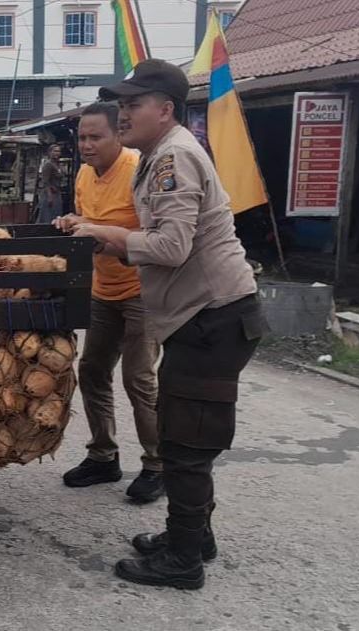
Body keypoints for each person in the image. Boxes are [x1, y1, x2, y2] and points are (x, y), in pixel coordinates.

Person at [77, 59, 267, 590]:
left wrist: (106, 234)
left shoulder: (174, 157)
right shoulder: (163, 153)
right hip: (204, 316)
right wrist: (113, 240)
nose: (123, 113)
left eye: (133, 104)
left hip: (212, 316)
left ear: (165, 109)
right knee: (187, 433)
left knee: (184, 443)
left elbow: (172, 246)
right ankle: (193, 536)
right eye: (121, 103)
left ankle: (183, 560)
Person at [54, 102, 162, 502]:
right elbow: (88, 221)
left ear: (119, 135)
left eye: (95, 136)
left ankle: (157, 464)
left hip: (143, 291)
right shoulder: (84, 173)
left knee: (139, 379)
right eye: (82, 137)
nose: (86, 144)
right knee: (94, 371)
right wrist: (72, 222)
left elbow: (159, 236)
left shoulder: (138, 172)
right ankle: (103, 455)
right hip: (103, 289)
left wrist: (95, 229)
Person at [34, 145, 64, 224]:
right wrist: (49, 196)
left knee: (56, 215)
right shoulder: (48, 165)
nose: (57, 153)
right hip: (49, 193)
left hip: (57, 193)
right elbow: (45, 181)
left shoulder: (58, 165)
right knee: (47, 215)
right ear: (50, 152)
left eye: (58, 151)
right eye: (55, 151)